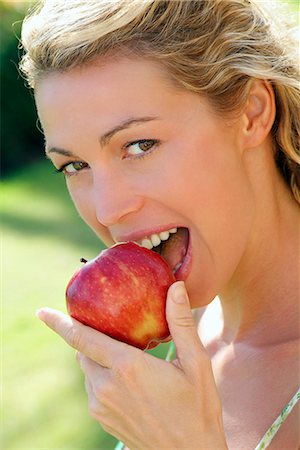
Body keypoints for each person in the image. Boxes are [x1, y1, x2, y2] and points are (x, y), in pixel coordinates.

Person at [20, 0, 299, 448]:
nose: (108, 211)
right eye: (73, 166)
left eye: (140, 145)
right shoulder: (179, 341)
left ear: (251, 111)